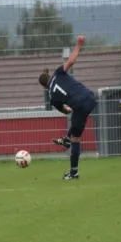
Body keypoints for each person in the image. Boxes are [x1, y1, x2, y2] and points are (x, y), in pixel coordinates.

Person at [38, 35, 97, 180]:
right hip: (89, 96)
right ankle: (66, 139)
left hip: (79, 106)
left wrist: (68, 109)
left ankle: (73, 173)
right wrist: (78, 44)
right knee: (75, 128)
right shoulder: (58, 72)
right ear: (50, 75)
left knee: (75, 139)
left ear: (44, 87)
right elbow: (71, 61)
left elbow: (64, 110)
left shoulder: (52, 97)